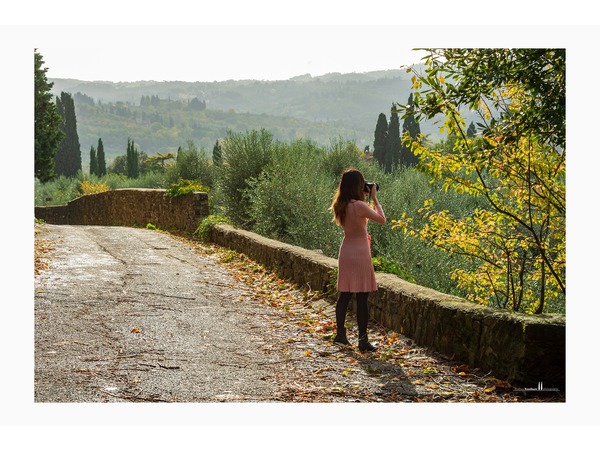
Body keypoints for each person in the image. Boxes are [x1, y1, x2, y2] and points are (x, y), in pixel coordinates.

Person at [329, 168, 386, 351]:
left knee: (344, 295)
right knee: (362, 298)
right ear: (357, 186)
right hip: (361, 252)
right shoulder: (360, 206)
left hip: (346, 251)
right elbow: (381, 220)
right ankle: (363, 340)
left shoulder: (341, 204)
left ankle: (340, 334)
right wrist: (375, 199)